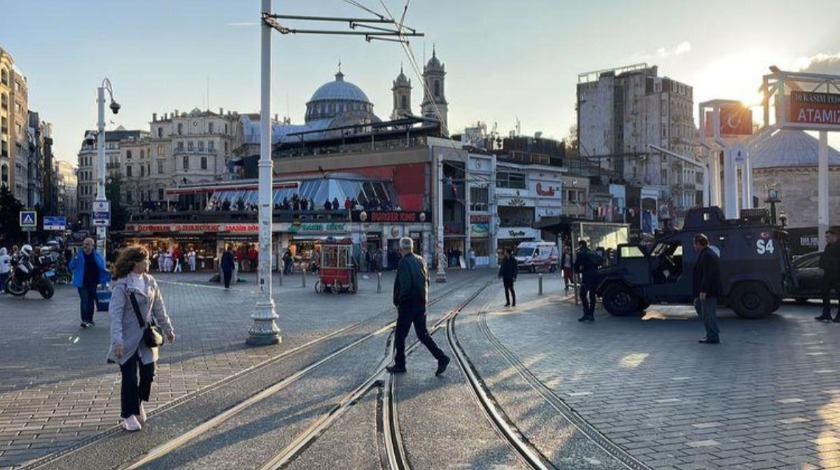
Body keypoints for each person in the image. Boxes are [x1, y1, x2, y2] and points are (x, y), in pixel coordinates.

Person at [106, 246, 175, 432]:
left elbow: (159, 307)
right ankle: (128, 415)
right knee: (129, 377)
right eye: (146, 259)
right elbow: (115, 315)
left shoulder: (150, 281)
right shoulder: (122, 285)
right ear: (136, 262)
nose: (149, 262)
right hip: (127, 339)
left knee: (148, 374)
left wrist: (168, 328)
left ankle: (138, 403)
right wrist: (117, 341)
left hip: (146, 337)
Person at [386, 237, 450, 376]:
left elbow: (405, 285)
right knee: (423, 334)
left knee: (400, 336)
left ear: (401, 249)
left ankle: (400, 364)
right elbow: (427, 281)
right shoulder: (421, 260)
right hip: (421, 304)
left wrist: (399, 301)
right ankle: (442, 358)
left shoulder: (403, 262)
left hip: (408, 305)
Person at [70, 238, 111, 329]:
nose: (85, 246)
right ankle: (84, 320)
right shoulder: (79, 255)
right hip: (82, 282)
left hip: (93, 282)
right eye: (84, 244)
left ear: (92, 245)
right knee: (84, 301)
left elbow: (102, 267)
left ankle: (90, 320)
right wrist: (74, 258)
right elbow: (71, 266)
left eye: (88, 244)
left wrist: (105, 279)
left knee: (91, 301)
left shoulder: (97, 255)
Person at [692, 234, 721, 344]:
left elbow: (708, 275)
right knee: (701, 308)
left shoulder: (707, 255)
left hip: (708, 291)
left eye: (694, 244)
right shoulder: (705, 254)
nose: (694, 246)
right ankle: (711, 332)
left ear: (699, 243)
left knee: (708, 313)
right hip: (705, 290)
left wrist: (703, 290)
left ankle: (713, 335)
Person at [815, 228, 840, 322]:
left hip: (838, 274)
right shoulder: (828, 246)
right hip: (828, 274)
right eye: (826, 237)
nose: (826, 239)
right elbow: (825, 258)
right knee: (824, 292)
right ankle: (826, 313)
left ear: (835, 236)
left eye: (828, 237)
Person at [574, 240, 602, 322]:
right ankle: (591, 314)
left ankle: (586, 313)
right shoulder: (592, 252)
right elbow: (598, 263)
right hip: (595, 276)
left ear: (581, 245)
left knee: (582, 294)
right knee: (592, 295)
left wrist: (578, 270)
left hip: (586, 276)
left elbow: (576, 265)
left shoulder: (580, 253)